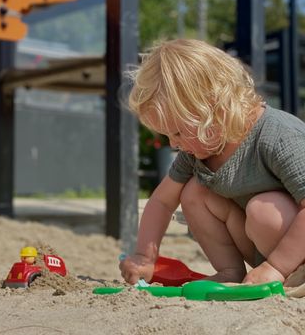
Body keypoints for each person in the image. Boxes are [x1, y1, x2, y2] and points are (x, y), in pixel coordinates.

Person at [119, 38, 305, 285]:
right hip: (268, 252)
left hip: (292, 249)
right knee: (194, 192)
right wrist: (144, 256)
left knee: (262, 209)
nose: (173, 144)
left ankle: (291, 274)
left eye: (177, 133)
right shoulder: (198, 151)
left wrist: (277, 266)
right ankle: (230, 272)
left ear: (216, 109)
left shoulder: (279, 135)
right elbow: (162, 202)